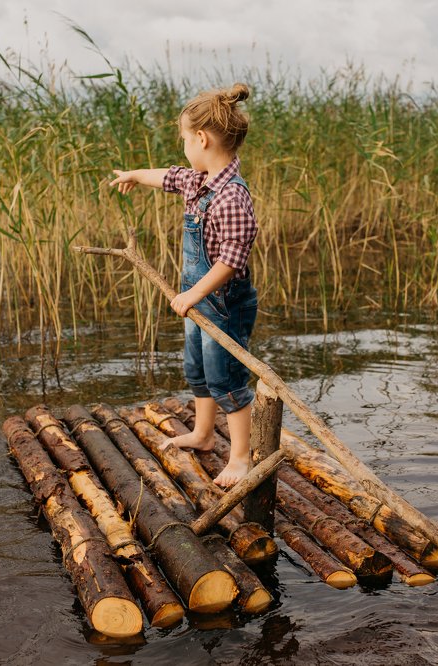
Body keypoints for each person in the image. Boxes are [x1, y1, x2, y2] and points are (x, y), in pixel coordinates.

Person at [108, 83, 258, 488]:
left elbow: (232, 259)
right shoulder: (198, 180)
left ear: (202, 138)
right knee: (197, 369)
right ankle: (205, 433)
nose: (183, 150)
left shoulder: (231, 196)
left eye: (184, 140)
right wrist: (137, 175)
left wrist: (194, 292)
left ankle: (242, 456)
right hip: (198, 300)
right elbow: (168, 177)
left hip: (223, 303)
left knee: (226, 377)